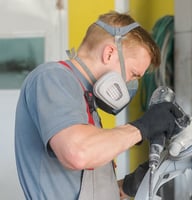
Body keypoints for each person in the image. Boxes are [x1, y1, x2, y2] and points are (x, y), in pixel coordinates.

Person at [14, 11, 181, 200]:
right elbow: (78, 152)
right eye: (134, 74)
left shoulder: (85, 99)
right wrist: (142, 128)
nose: (131, 84)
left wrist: (128, 185)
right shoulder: (52, 77)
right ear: (109, 53)